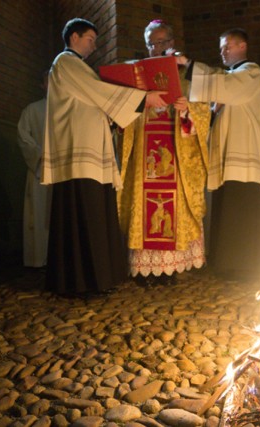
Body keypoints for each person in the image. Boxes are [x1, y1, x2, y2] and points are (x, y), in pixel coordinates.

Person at [42, 18, 167, 296]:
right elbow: (101, 92)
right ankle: (81, 281)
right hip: (79, 155)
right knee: (84, 216)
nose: (94, 46)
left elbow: (96, 101)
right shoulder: (66, 61)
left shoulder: (76, 66)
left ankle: (96, 278)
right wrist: (143, 98)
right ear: (74, 37)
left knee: (94, 215)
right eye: (90, 39)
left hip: (90, 153)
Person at [176, 28, 260, 280]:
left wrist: (188, 63)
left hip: (243, 155)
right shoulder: (227, 79)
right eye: (221, 47)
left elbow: (224, 84)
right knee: (228, 206)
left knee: (243, 208)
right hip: (226, 152)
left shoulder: (250, 72)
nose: (223, 51)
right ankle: (227, 263)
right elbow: (217, 90)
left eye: (227, 46)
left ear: (242, 46)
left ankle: (247, 266)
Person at [117, 19, 210, 285]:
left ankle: (170, 268)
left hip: (175, 155)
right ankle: (145, 270)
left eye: (161, 42)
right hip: (144, 157)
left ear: (171, 43)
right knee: (146, 208)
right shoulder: (136, 77)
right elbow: (122, 116)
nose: (156, 48)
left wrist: (186, 110)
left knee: (172, 209)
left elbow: (203, 116)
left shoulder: (187, 76)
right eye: (151, 44)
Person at [17, 71, 52, 268]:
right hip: (40, 169)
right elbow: (23, 137)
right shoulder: (32, 109)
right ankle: (38, 259)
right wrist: (40, 155)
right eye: (48, 79)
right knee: (38, 216)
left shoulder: (68, 108)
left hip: (63, 171)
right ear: (42, 85)